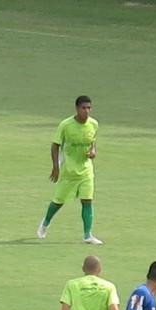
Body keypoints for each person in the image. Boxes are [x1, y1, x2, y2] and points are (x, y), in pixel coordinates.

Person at [37, 95, 102, 244]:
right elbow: (55, 145)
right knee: (58, 202)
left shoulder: (94, 124)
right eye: (83, 108)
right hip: (68, 171)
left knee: (87, 201)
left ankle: (88, 235)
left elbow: (93, 141)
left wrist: (93, 152)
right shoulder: (66, 125)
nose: (87, 111)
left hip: (86, 171)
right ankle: (45, 223)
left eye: (89, 108)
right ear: (77, 109)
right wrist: (55, 167)